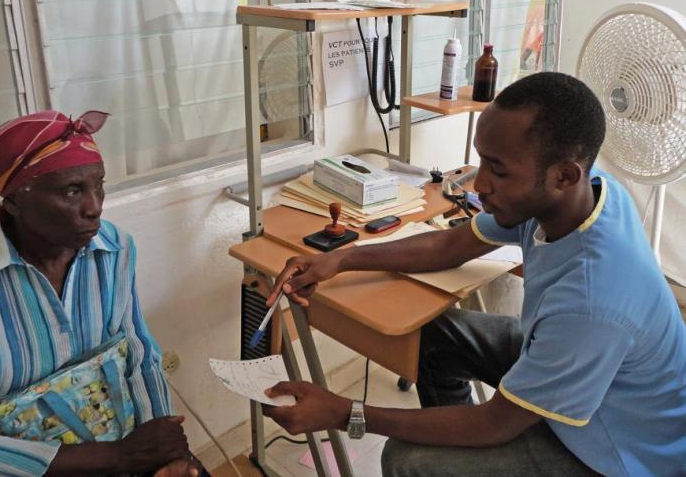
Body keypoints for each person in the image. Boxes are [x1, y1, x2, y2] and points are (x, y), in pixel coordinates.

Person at [262, 73, 686, 476]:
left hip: (618, 451)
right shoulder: (585, 193)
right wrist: (342, 259)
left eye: (498, 170)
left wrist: (344, 412)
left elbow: (494, 424)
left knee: (409, 460)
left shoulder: (593, 302)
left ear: (563, 175)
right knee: (431, 337)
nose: (478, 185)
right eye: (482, 162)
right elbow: (451, 245)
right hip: (585, 367)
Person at [0, 111, 204, 476]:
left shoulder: (114, 249)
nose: (95, 207)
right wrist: (118, 458)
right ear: (12, 200)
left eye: (99, 185)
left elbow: (139, 357)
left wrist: (163, 454)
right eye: (71, 191)